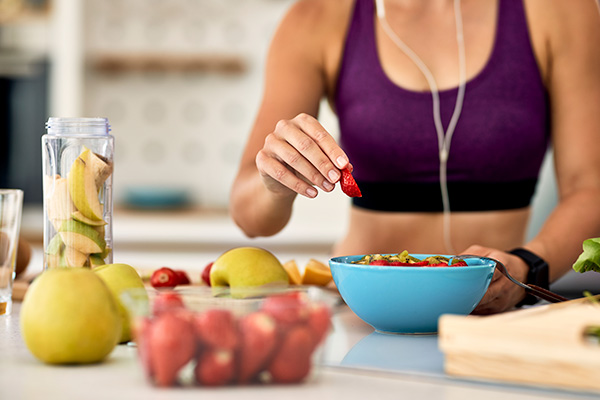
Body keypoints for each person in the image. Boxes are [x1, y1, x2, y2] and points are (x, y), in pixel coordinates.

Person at [229, 0, 600, 314]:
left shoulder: (560, 10)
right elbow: (250, 217)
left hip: (494, 314)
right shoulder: (318, 17)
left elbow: (591, 186)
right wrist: (274, 183)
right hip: (363, 315)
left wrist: (527, 265)